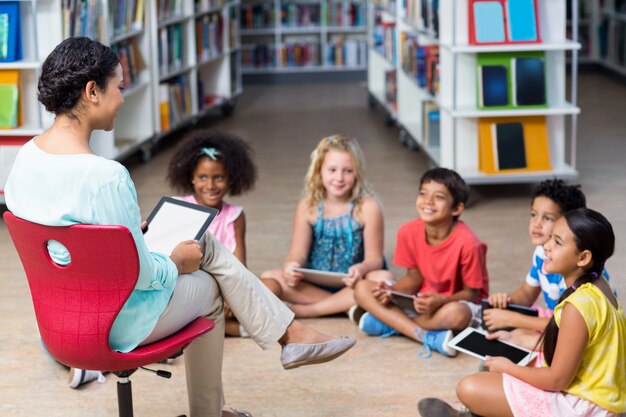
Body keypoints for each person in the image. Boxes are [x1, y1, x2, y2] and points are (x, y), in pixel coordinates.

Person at [4, 37, 355, 417]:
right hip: (113, 323)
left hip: (59, 319)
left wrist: (122, 240)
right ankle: (255, 368)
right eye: (118, 88)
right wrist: (175, 260)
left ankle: (289, 336)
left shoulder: (24, 159)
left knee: (203, 243)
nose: (122, 99)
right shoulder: (105, 176)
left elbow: (63, 244)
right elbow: (142, 277)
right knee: (210, 283)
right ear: (92, 91)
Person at [419, 208, 626, 417]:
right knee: (499, 364)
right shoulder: (599, 287)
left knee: (469, 387)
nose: (546, 246)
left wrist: (508, 368)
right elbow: (574, 347)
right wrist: (514, 339)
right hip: (600, 398)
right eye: (550, 239)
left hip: (584, 407)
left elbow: (557, 380)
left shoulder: (578, 306)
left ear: (583, 258)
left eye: (557, 242)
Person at [353, 168, 489, 358]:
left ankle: (392, 323)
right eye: (423, 194)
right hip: (421, 302)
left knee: (456, 313)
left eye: (439, 197)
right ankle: (427, 336)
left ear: (456, 208)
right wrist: (392, 292)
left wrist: (441, 300)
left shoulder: (469, 244)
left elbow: (472, 294)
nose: (428, 201)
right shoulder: (408, 231)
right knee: (362, 288)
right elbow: (414, 277)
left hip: (454, 303)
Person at [167, 129, 281, 337]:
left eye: (218, 178)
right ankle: (236, 329)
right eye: (202, 177)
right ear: (191, 178)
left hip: (228, 292)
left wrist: (232, 297)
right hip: (195, 291)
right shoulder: (182, 208)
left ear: (231, 179)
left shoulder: (235, 216)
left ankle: (210, 328)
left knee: (273, 287)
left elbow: (240, 267)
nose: (210, 185)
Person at [259, 134, 385, 318]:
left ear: (357, 172)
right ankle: (347, 306)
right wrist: (291, 266)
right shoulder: (308, 206)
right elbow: (298, 253)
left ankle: (307, 310)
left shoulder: (368, 208)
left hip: (354, 282)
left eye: (348, 171)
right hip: (313, 284)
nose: (339, 178)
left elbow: (375, 259)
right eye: (332, 170)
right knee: (270, 277)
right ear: (319, 171)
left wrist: (361, 269)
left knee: (382, 280)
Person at [481, 179, 587, 346]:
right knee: (501, 327)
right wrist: (506, 301)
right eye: (533, 215)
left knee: (516, 335)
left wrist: (513, 318)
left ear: (570, 224)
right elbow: (527, 293)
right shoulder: (540, 253)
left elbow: (568, 327)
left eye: (548, 218)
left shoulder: (576, 266)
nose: (537, 223)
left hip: (574, 332)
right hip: (555, 320)